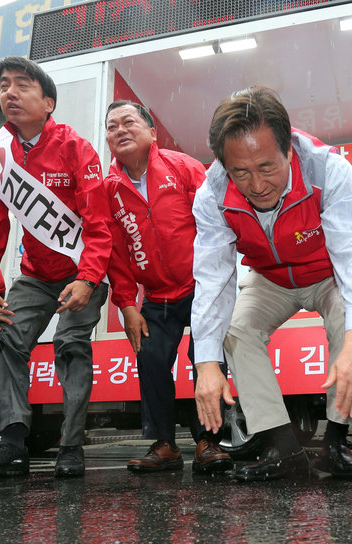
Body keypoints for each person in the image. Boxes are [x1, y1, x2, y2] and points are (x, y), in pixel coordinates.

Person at [191, 86, 352, 481]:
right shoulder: (211, 195)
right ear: (223, 165)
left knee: (350, 319)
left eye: (267, 167)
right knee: (236, 329)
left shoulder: (328, 170)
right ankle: (281, 446)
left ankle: (336, 442)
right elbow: (213, 281)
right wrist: (206, 363)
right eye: (240, 171)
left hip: (327, 273)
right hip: (270, 278)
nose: (256, 185)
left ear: (289, 150)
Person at [0, 57, 112, 479]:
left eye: (22, 85)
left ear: (48, 102)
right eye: (4, 85)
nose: (10, 92)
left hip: (83, 271)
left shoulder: (77, 148)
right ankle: (13, 443)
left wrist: (89, 277)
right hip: (35, 276)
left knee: (70, 344)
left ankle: (71, 445)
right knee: (7, 338)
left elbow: (99, 223)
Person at [103, 100, 231, 473]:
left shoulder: (183, 167)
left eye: (129, 122)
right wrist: (127, 305)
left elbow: (215, 224)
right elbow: (116, 255)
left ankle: (209, 442)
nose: (120, 130)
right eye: (112, 127)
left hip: (201, 286)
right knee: (151, 357)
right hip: (156, 296)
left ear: (151, 132)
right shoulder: (109, 189)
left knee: (206, 358)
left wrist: (218, 283)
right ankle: (164, 445)